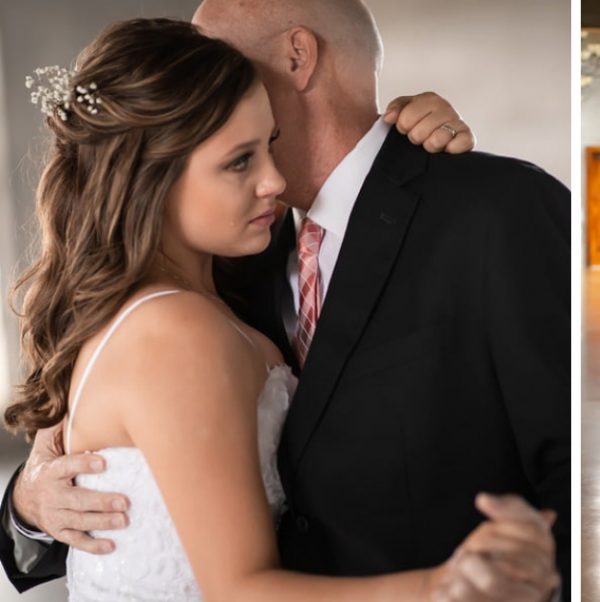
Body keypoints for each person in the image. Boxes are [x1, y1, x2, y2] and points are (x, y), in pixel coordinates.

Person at [0, 11, 567, 602]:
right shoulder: (220, 254)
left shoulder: (496, 214)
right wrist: (28, 502)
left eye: (216, 56)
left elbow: (570, 469)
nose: (196, 74)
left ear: (298, 56)